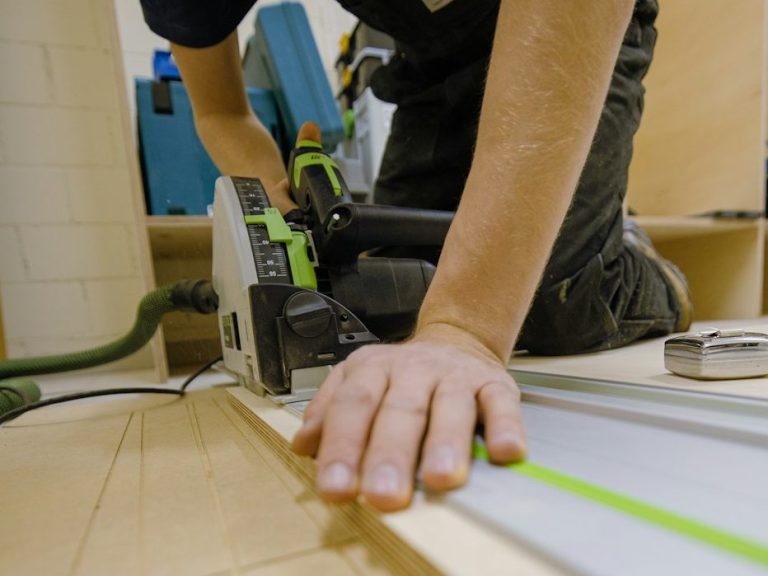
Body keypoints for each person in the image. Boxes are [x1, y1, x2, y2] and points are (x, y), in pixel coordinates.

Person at [141, 0, 691, 511]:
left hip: (567, 25)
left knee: (555, 298)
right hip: (429, 68)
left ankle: (634, 262)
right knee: (392, 302)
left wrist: (465, 329)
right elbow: (222, 114)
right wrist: (280, 204)